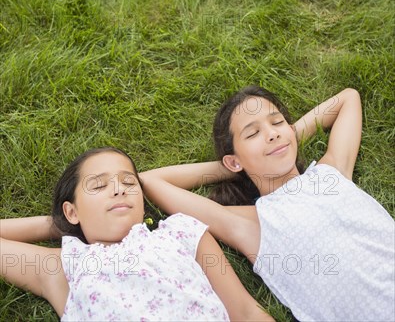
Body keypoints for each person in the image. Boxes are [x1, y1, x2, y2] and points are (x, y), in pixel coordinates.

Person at [141, 87, 395, 322]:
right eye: (253, 133)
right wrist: (236, 167)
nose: (271, 133)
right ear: (232, 161)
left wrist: (285, 138)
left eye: (277, 122)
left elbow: (348, 98)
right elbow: (151, 181)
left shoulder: (332, 172)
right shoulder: (252, 224)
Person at [0, 146, 274, 321]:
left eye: (128, 182)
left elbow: (246, 312)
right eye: (98, 186)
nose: (119, 189)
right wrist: (62, 222)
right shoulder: (66, 267)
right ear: (72, 211)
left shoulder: (181, 233)